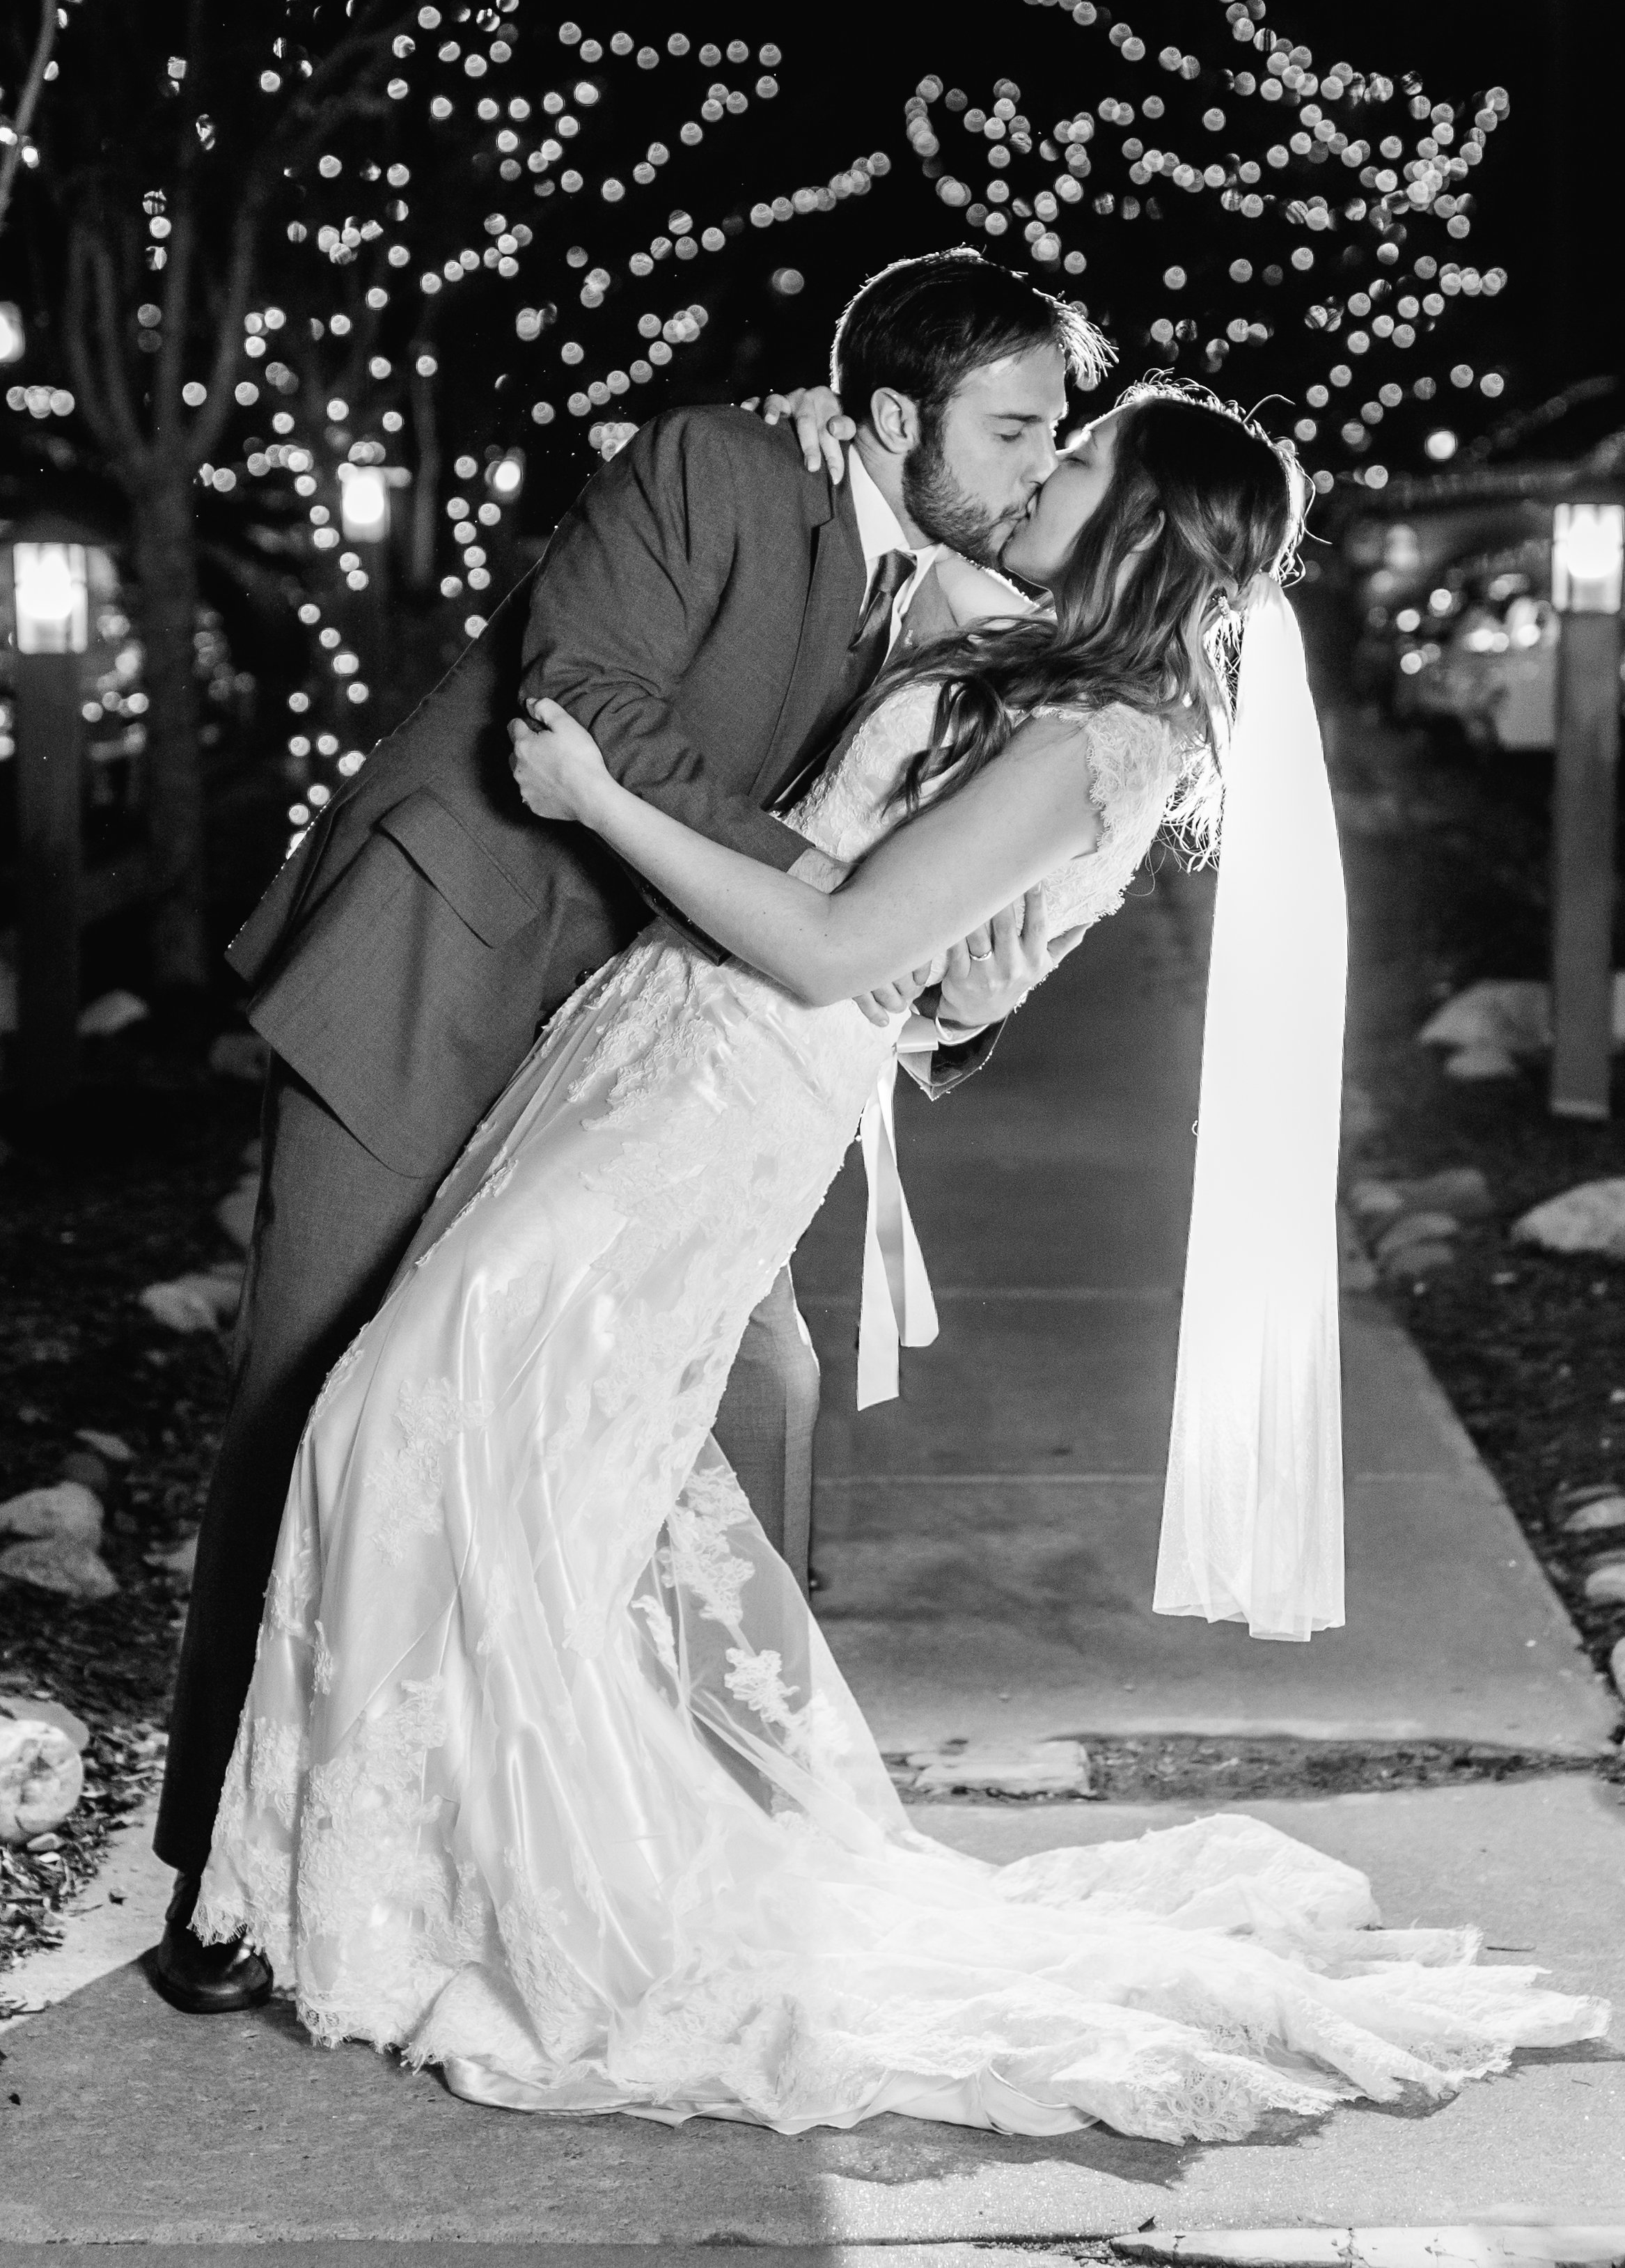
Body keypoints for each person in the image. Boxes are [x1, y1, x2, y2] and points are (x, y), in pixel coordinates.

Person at [195, 382, 1606, 2138]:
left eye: (1077, 457)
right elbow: (920, 881)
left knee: (411, 1415)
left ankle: (484, 1894)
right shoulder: (1043, 664)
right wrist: (832, 430)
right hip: (656, 1045)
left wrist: (598, 797)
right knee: (506, 1456)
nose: (1051, 465)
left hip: (729, 1091)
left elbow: (838, 943)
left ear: (1141, 528)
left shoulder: (1104, 742)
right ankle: (449, 1871)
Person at [152, 250, 1106, 2015]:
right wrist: (838, 902)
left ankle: (604, 1835)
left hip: (656, 1054)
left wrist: (944, 973)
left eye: (1059, 434)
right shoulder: (711, 464)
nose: (1042, 463)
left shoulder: (965, 602)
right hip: (447, 964)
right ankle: (229, 1870)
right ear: (891, 416)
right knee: (321, 1388)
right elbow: (584, 702)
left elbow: (957, 864)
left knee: (726, 1405)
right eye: (1016, 427)